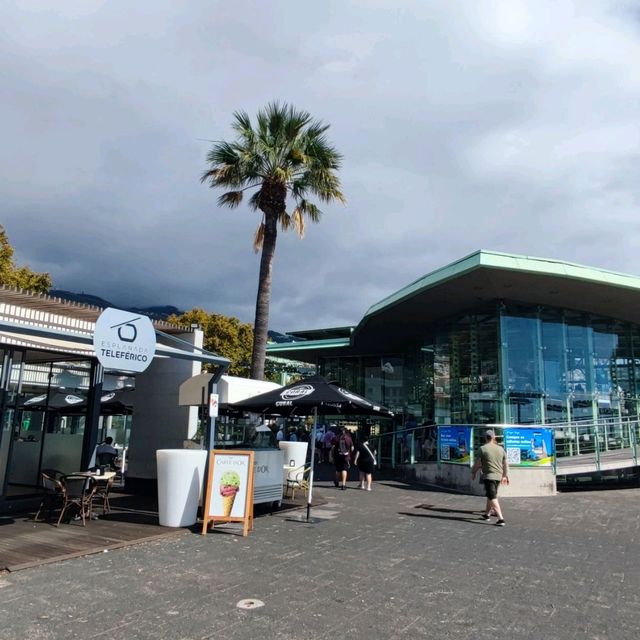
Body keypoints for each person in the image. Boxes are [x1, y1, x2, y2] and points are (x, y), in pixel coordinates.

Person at [471, 429, 509, 526]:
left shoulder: (482, 448)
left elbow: (478, 463)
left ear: (485, 438)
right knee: (490, 494)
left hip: (489, 476)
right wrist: (505, 475)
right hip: (498, 476)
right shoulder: (501, 449)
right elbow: (505, 464)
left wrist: (474, 472)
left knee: (492, 496)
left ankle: (501, 519)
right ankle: (487, 514)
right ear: (493, 437)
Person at [331, 426, 353, 490]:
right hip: (345, 456)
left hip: (337, 456)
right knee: (344, 470)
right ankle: (343, 485)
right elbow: (352, 448)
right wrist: (349, 454)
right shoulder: (349, 438)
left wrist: (332, 456)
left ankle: (337, 481)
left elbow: (332, 448)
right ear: (345, 431)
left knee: (338, 469)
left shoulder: (335, 438)